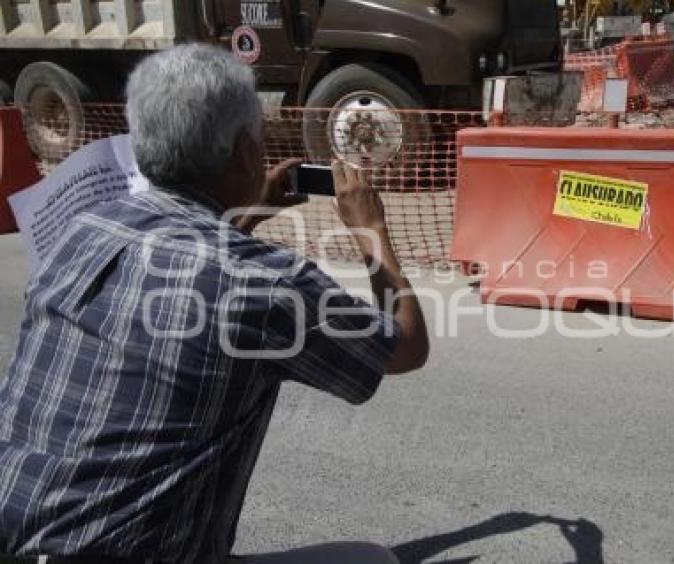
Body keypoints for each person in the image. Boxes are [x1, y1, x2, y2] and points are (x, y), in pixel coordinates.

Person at [0, 44, 428, 564]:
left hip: (17, 541)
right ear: (247, 153)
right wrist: (370, 228)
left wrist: (242, 214)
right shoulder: (264, 283)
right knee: (371, 560)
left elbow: (180, 273)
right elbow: (403, 345)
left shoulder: (82, 230)